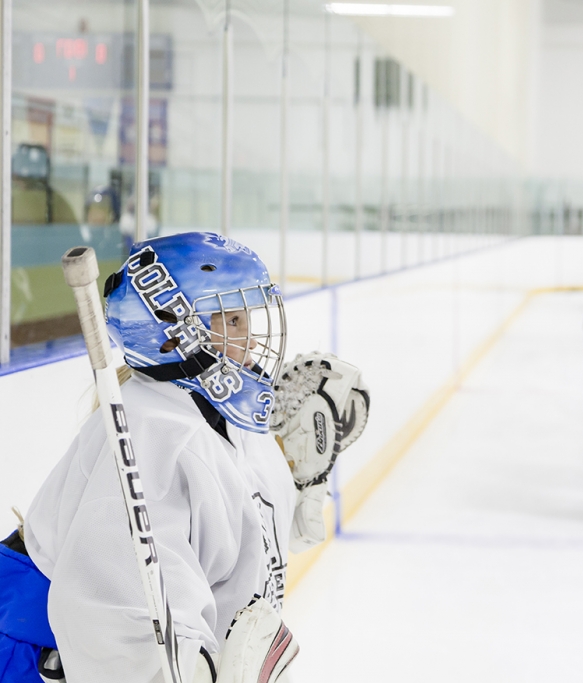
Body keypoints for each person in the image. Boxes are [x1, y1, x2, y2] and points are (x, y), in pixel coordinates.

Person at [1, 232, 367, 683]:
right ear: (172, 339)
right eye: (230, 322)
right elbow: (114, 619)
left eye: (246, 318)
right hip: (34, 649)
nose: (250, 340)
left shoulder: (230, 412)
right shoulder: (149, 436)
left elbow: (237, 538)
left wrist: (297, 483)